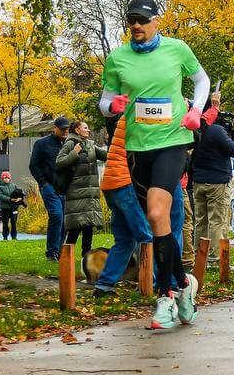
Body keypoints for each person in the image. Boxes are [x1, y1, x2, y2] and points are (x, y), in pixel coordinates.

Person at [99, 0, 210, 330]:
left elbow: (201, 80)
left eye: (143, 20)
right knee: (158, 223)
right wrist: (112, 107)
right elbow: (105, 100)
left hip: (173, 141)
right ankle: (184, 284)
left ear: (156, 21)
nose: (136, 25)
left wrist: (196, 111)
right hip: (137, 147)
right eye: (131, 20)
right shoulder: (117, 58)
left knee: (157, 214)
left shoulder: (177, 49)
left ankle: (165, 297)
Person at [92, 115, 153, 297]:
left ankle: (103, 286)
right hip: (124, 182)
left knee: (125, 240)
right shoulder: (140, 114)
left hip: (111, 183)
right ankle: (154, 282)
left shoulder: (126, 116)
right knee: (146, 236)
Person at [191, 100, 234, 263]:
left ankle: (200, 256)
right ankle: (214, 258)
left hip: (198, 181)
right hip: (217, 182)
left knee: (201, 221)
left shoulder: (195, 129)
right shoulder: (216, 130)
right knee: (217, 221)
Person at [56, 119, 107, 256]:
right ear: (77, 130)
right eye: (85, 128)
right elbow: (59, 162)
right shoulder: (71, 143)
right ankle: (65, 259)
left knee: (88, 227)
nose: (88, 130)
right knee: (75, 227)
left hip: (89, 194)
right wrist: (74, 153)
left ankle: (86, 258)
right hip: (76, 193)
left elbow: (105, 155)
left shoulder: (90, 145)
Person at [30, 116, 71, 261]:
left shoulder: (69, 144)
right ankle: (52, 251)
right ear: (55, 128)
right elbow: (33, 165)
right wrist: (43, 183)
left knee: (64, 220)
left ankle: (58, 251)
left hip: (64, 188)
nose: (65, 131)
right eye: (62, 129)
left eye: (67, 129)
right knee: (56, 215)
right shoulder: (42, 144)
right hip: (49, 186)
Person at [0, 172, 25, 241]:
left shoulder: (14, 186)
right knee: (5, 223)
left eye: (7, 178)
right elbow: (1, 196)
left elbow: (20, 193)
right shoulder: (0, 188)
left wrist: (20, 198)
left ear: (10, 178)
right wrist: (10, 199)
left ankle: (14, 237)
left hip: (14, 208)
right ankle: (5, 237)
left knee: (14, 223)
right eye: (5, 178)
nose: (6, 179)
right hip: (5, 208)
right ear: (2, 179)